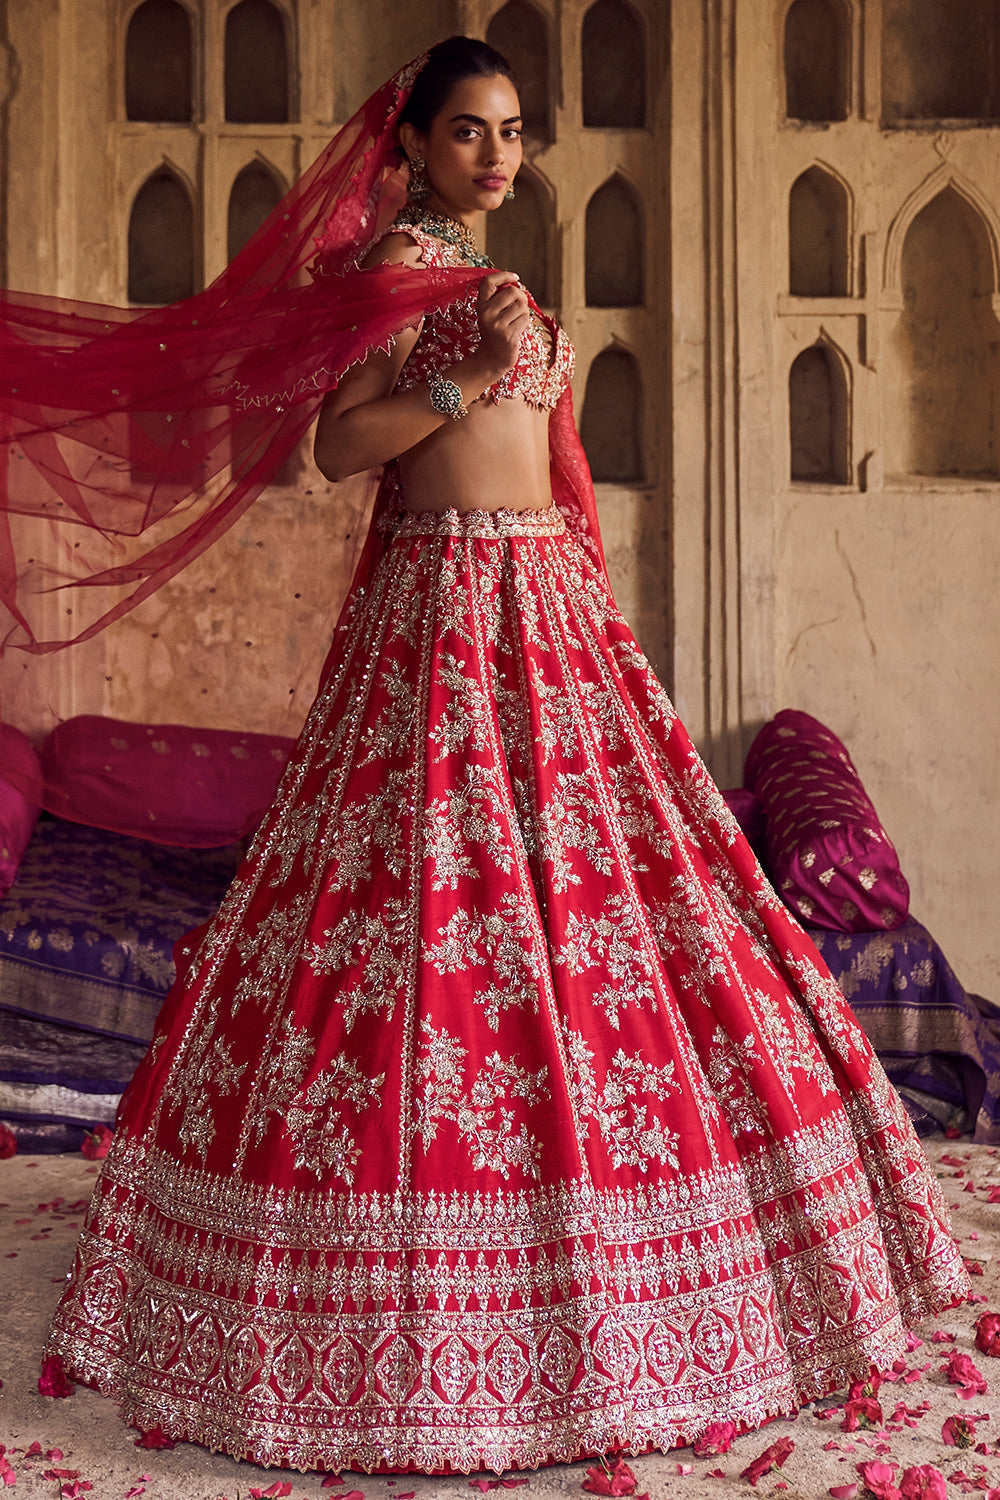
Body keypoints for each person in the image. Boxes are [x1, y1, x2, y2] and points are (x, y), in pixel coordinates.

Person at [42, 36, 966, 1478]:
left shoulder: (491, 276)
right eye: (467, 132)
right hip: (440, 610)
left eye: (513, 132)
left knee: (622, 910)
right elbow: (344, 451)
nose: (498, 155)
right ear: (408, 145)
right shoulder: (396, 285)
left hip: (541, 602)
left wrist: (523, 440)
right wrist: (471, 378)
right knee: (429, 922)